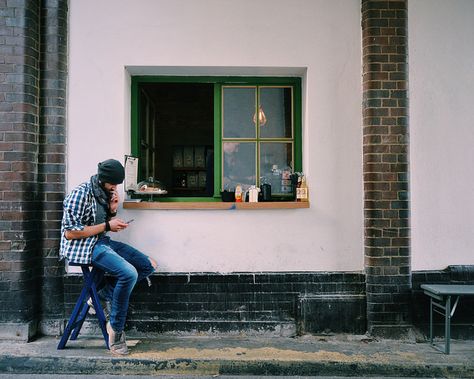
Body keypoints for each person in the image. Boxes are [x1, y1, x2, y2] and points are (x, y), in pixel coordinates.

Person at [59, 159, 157, 355]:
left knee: (148, 265)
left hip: (101, 241)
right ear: (103, 179)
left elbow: (103, 223)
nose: (115, 187)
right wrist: (107, 226)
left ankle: (100, 297)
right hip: (83, 247)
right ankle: (116, 329)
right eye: (113, 183)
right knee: (128, 274)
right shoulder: (80, 194)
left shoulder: (105, 193)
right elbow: (70, 233)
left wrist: (112, 210)